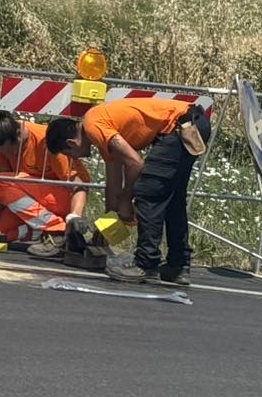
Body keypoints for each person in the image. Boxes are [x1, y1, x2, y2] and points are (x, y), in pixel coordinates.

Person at [46, 99, 211, 285]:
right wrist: (107, 224)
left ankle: (146, 264)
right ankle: (178, 266)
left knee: (148, 192)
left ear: (71, 143)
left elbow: (136, 164)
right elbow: (113, 183)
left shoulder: (94, 127)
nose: (73, 158)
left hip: (180, 126)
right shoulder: (98, 130)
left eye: (69, 154)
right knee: (172, 198)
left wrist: (126, 200)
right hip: (192, 125)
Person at [0, 111, 89, 260]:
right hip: (34, 202)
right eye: (3, 153)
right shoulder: (1, 146)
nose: (9, 155)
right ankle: (42, 233)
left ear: (19, 134)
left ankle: (57, 231)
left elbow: (79, 184)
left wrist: (74, 216)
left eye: (11, 151)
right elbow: (7, 190)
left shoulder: (47, 141)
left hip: (65, 198)